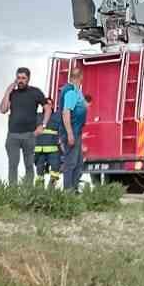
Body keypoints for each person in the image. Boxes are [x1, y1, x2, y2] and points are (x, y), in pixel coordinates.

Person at [0, 66, 47, 186]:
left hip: (29, 135)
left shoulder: (35, 92)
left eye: (23, 78)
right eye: (18, 78)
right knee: (13, 165)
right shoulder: (12, 94)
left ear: (28, 79)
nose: (20, 80)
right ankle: (12, 191)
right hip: (13, 136)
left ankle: (28, 191)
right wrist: (8, 91)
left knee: (29, 165)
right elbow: (3, 109)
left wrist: (43, 125)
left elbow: (48, 108)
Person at [59, 61, 89, 192]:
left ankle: (74, 189)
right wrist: (70, 133)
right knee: (71, 163)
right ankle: (68, 191)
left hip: (76, 132)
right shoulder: (70, 91)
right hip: (71, 133)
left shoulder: (76, 91)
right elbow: (66, 112)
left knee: (78, 163)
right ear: (79, 77)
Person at [34, 100, 62, 187]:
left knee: (55, 168)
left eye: (50, 104)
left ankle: (51, 187)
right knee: (39, 170)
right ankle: (39, 190)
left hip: (53, 148)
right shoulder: (37, 116)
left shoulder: (57, 116)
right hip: (39, 149)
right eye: (46, 104)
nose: (49, 106)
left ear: (53, 106)